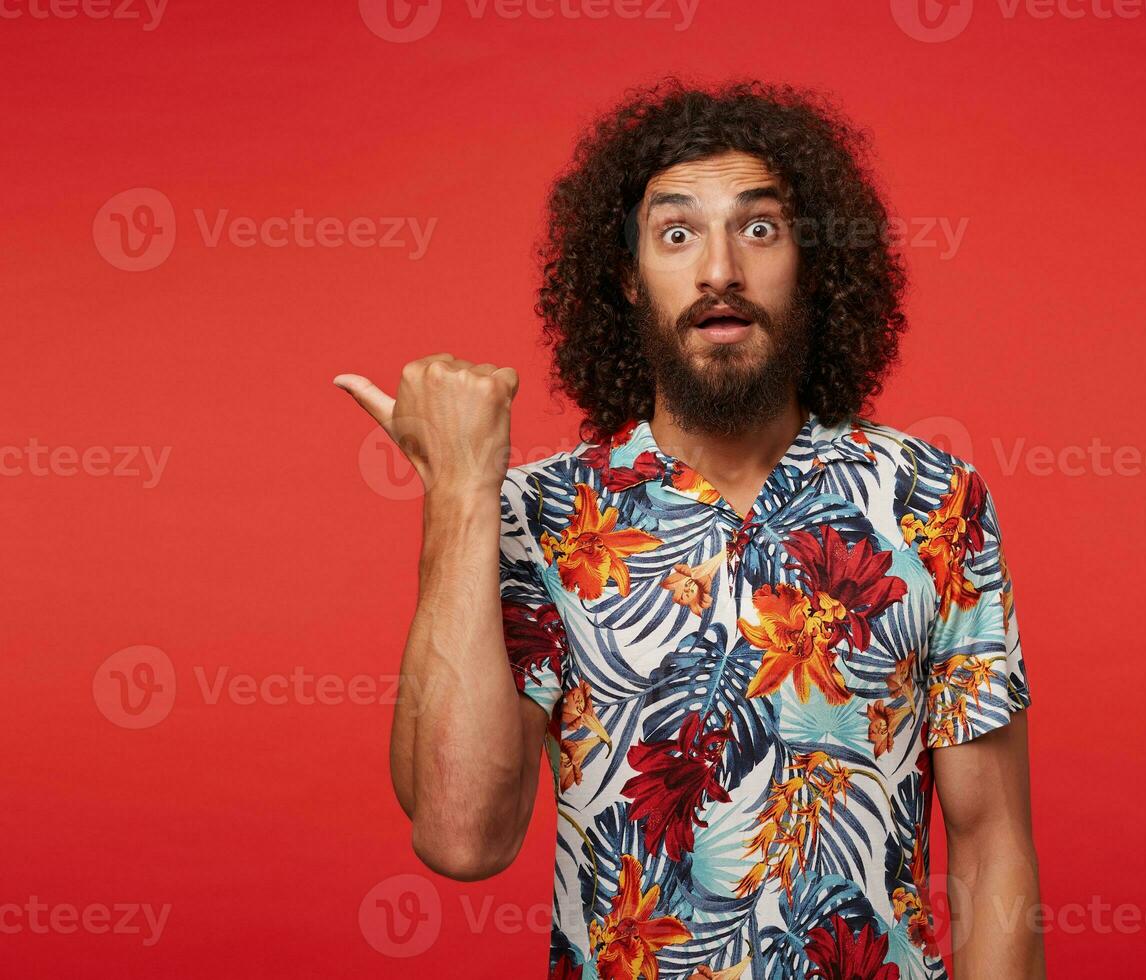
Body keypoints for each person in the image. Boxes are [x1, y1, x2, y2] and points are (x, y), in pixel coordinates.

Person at [334, 78, 1044, 980]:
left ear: (812, 263)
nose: (719, 270)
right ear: (629, 275)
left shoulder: (932, 500)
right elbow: (462, 836)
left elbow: (993, 852)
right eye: (677, 232)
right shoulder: (543, 519)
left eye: (759, 228)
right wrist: (464, 495)